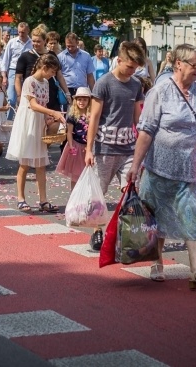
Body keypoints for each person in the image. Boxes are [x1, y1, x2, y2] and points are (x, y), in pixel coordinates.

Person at [129, 43, 196, 285]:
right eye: (194, 65)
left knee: (192, 216)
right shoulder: (160, 92)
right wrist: (135, 165)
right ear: (178, 64)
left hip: (191, 169)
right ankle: (157, 262)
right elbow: (146, 131)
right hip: (159, 167)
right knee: (158, 216)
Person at [84, 41, 146, 251]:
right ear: (118, 60)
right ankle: (97, 232)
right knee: (99, 194)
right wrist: (89, 149)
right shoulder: (104, 83)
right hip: (105, 149)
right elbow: (94, 117)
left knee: (131, 190)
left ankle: (125, 233)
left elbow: (138, 118)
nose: (132, 71)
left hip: (128, 148)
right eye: (129, 66)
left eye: (135, 68)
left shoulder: (136, 84)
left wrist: (143, 145)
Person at [6, 52, 66, 213]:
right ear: (44, 67)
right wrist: (53, 112)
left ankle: (43, 200)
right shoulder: (29, 81)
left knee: (41, 164)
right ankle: (20, 198)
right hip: (28, 123)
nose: (54, 75)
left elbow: (43, 104)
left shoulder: (46, 83)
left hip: (39, 122)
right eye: (52, 71)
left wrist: (48, 118)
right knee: (24, 163)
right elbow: (33, 105)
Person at [56, 86, 92, 189]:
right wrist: (71, 146)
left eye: (85, 99)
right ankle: (74, 195)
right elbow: (69, 132)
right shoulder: (72, 115)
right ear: (75, 101)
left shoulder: (91, 115)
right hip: (76, 145)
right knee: (75, 173)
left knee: (87, 172)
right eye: (79, 99)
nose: (82, 102)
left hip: (87, 146)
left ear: (89, 101)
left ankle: (85, 196)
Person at [1, 22, 32, 109]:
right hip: (13, 71)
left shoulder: (32, 43)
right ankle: (9, 120)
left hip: (27, 72)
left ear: (28, 31)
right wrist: (4, 76)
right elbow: (5, 60)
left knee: (26, 97)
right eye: (19, 32)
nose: (21, 34)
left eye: (23, 32)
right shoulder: (12, 42)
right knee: (11, 98)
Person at [59, 32, 95, 97]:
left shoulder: (86, 56)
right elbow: (59, 76)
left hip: (82, 91)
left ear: (77, 43)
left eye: (72, 46)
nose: (70, 48)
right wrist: (66, 93)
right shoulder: (60, 57)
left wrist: (94, 93)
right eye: (68, 46)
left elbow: (90, 76)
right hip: (66, 90)